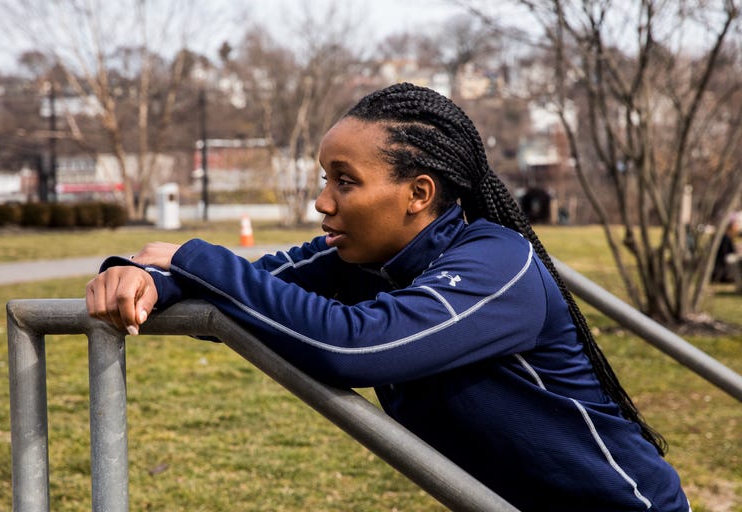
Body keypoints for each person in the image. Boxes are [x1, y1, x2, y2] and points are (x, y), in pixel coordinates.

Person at [86, 82, 690, 511]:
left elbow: (355, 347)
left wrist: (191, 254)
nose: (323, 201)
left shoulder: (496, 263)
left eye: (345, 181)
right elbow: (256, 283)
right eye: (325, 178)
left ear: (418, 193)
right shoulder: (360, 257)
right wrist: (145, 279)